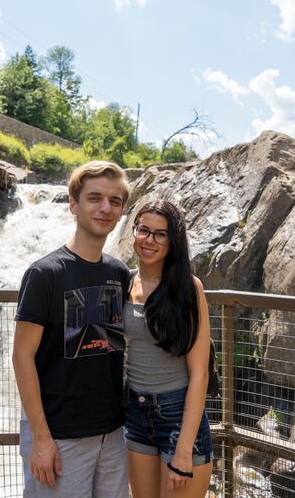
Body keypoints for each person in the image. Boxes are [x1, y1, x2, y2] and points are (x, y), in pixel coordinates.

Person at [12, 161, 132, 497]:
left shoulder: (119, 273)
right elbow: (22, 357)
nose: (105, 208)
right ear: (73, 205)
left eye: (115, 200)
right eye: (94, 198)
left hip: (112, 433)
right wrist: (40, 439)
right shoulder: (44, 274)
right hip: (59, 435)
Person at [123, 200, 213, 498]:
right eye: (143, 230)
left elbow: (199, 373)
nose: (150, 240)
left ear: (173, 241)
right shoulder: (125, 283)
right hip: (135, 413)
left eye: (160, 234)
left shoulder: (188, 287)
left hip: (178, 414)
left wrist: (184, 449)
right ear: (133, 232)